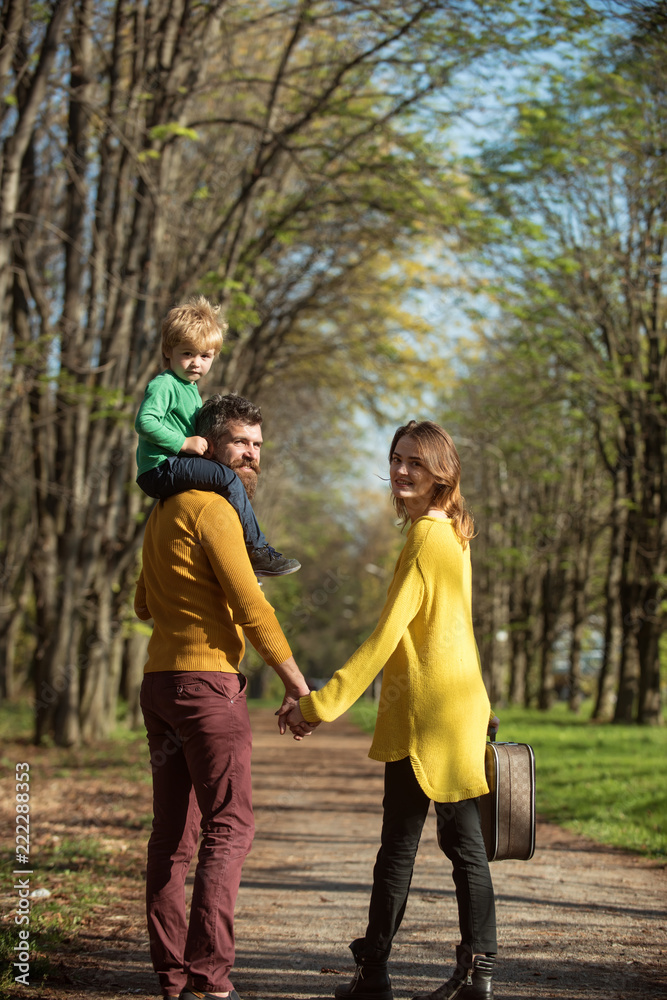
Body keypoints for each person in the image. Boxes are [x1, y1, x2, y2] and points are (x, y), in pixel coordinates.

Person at [281, 420, 499, 1000]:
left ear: (440, 475)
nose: (401, 471)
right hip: (457, 711)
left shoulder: (428, 540)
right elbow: (455, 633)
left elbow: (385, 637)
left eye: (415, 464)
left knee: (401, 852)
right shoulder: (454, 534)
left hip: (429, 716)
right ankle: (474, 975)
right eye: (396, 459)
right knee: (463, 848)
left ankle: (376, 975)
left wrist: (320, 705)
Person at [134, 392, 311, 1000]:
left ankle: (171, 977)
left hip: (159, 685)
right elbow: (252, 608)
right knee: (229, 827)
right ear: (207, 442)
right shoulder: (214, 512)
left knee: (171, 836)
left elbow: (140, 604)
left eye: (258, 445)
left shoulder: (161, 512)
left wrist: (185, 592)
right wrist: (296, 683)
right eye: (241, 443)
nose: (252, 455)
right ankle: (211, 980)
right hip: (208, 686)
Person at [135, 295, 299, 577]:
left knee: (218, 481)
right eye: (187, 353)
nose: (195, 363)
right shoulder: (165, 384)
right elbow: (144, 421)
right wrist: (183, 443)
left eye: (204, 356)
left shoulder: (190, 389)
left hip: (170, 467)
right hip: (159, 468)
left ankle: (231, 545)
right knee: (226, 477)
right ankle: (256, 550)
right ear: (168, 351)